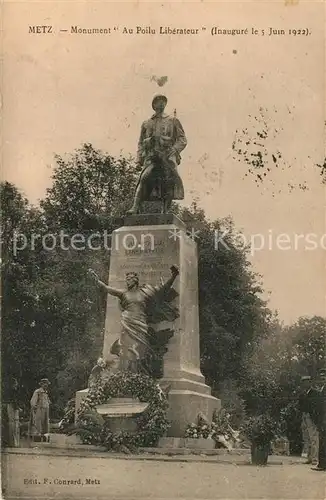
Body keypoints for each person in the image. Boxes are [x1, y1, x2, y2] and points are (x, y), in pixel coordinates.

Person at [88, 265, 179, 369]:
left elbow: (163, 289)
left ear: (135, 280)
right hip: (127, 322)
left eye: (130, 279)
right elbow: (106, 288)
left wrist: (173, 276)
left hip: (141, 323)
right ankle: (128, 372)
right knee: (126, 346)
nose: (127, 281)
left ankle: (138, 372)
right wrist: (96, 280)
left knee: (140, 347)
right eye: (126, 279)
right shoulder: (123, 293)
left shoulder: (145, 293)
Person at [127, 95, 187, 214]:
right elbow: (140, 142)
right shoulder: (146, 123)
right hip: (151, 155)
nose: (161, 104)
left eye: (163, 101)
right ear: (153, 105)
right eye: (158, 102)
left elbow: (182, 139)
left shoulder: (173, 120)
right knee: (144, 178)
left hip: (167, 155)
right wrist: (139, 159)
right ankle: (135, 207)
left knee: (169, 180)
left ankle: (166, 210)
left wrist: (174, 149)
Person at [298, 375, 319, 465]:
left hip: (311, 417)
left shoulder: (315, 393)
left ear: (310, 383)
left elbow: (317, 407)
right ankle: (309, 458)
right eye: (303, 382)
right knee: (306, 438)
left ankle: (315, 458)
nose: (305, 384)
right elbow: (300, 406)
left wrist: (315, 418)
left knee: (313, 438)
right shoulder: (302, 394)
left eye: (307, 382)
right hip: (304, 416)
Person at [310, 368, 326, 471]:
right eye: (322, 377)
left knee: (323, 441)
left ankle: (322, 465)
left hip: (324, 418)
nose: (323, 378)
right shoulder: (323, 388)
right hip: (323, 417)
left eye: (324, 376)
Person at [1, 376, 20, 448]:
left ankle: (12, 442)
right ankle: (13, 443)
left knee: (12, 424)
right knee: (13, 424)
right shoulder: (13, 392)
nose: (17, 385)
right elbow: (14, 402)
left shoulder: (10, 392)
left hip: (10, 407)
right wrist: (17, 407)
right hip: (11, 408)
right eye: (15, 383)